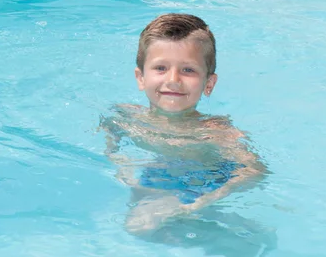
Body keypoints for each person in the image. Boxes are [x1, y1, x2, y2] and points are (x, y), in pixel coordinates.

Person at [100, 13, 269, 237]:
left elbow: (255, 170)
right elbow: (110, 130)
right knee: (137, 222)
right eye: (160, 68)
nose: (173, 80)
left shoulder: (214, 131)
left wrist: (202, 202)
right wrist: (122, 167)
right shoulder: (126, 116)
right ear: (141, 78)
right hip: (161, 172)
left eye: (187, 70)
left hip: (205, 181)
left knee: (140, 226)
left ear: (209, 83)